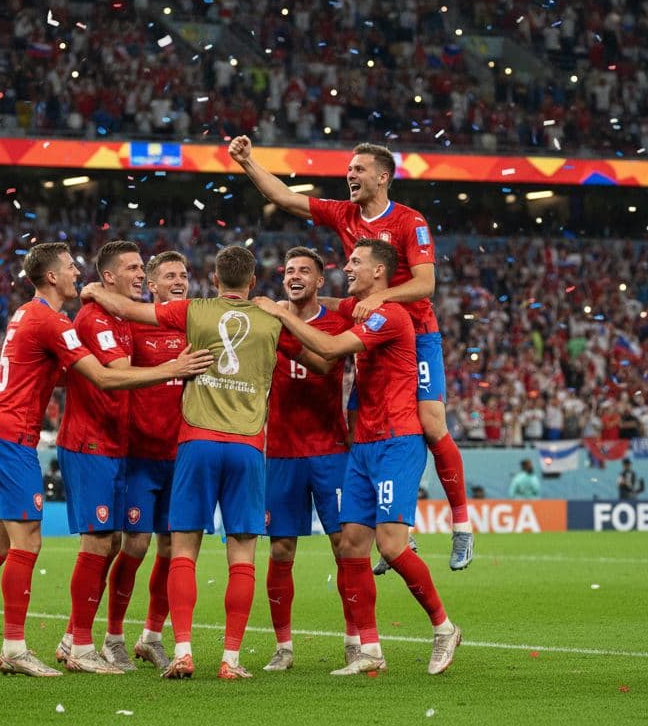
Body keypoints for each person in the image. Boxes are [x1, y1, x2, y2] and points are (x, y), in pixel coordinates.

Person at [0, 242, 212, 679]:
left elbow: (67, 376)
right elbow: (103, 376)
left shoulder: (36, 315)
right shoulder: (59, 319)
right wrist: (175, 367)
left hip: (0, 433)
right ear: (51, 277)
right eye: (68, 268)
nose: (75, 273)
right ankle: (33, 646)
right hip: (33, 440)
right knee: (48, 543)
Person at [230, 135, 474, 571]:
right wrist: (248, 162)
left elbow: (426, 284)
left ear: (383, 177)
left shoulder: (409, 221)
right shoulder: (345, 214)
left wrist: (381, 299)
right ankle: (395, 529)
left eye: (358, 169)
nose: (350, 175)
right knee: (358, 425)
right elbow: (285, 197)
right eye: (349, 169)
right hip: (370, 331)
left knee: (431, 421)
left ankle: (462, 526)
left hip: (414, 334)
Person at [83, 244, 320, 680]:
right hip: (248, 447)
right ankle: (230, 659)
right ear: (252, 282)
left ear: (213, 280)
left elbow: (129, 311)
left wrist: (96, 290)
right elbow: (320, 359)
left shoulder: (194, 311)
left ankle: (183, 651)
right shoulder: (271, 320)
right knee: (243, 555)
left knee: (182, 550)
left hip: (195, 443)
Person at [254, 238, 461, 676]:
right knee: (351, 545)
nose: (347, 267)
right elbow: (327, 305)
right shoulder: (359, 307)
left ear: (380, 272)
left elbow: (329, 353)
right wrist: (295, 302)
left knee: (390, 544)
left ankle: (444, 627)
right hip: (363, 446)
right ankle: (369, 649)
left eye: (355, 262)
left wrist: (280, 316)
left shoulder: (388, 313)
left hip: (396, 440)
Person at [53, 240, 152, 674]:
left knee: (112, 540)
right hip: (89, 442)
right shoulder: (93, 317)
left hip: (116, 444)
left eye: (142, 266)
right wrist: (174, 369)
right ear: (108, 277)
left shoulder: (121, 314)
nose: (141, 274)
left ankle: (74, 636)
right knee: (97, 540)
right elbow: (115, 376)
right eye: (132, 267)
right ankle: (79, 644)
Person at [260, 247, 355, 672]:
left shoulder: (337, 324)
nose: (294, 276)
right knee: (281, 549)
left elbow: (324, 362)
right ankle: (283, 646)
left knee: (344, 546)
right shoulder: (266, 322)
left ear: (320, 281)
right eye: (289, 271)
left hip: (331, 450)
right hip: (281, 451)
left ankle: (357, 640)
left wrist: (283, 321)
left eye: (304, 271)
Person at [105, 250, 191, 672]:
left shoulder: (197, 325)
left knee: (173, 547)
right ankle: (114, 636)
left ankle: (152, 636)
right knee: (134, 544)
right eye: (169, 275)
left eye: (184, 274)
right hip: (140, 455)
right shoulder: (135, 326)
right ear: (152, 285)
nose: (179, 280)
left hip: (182, 457)